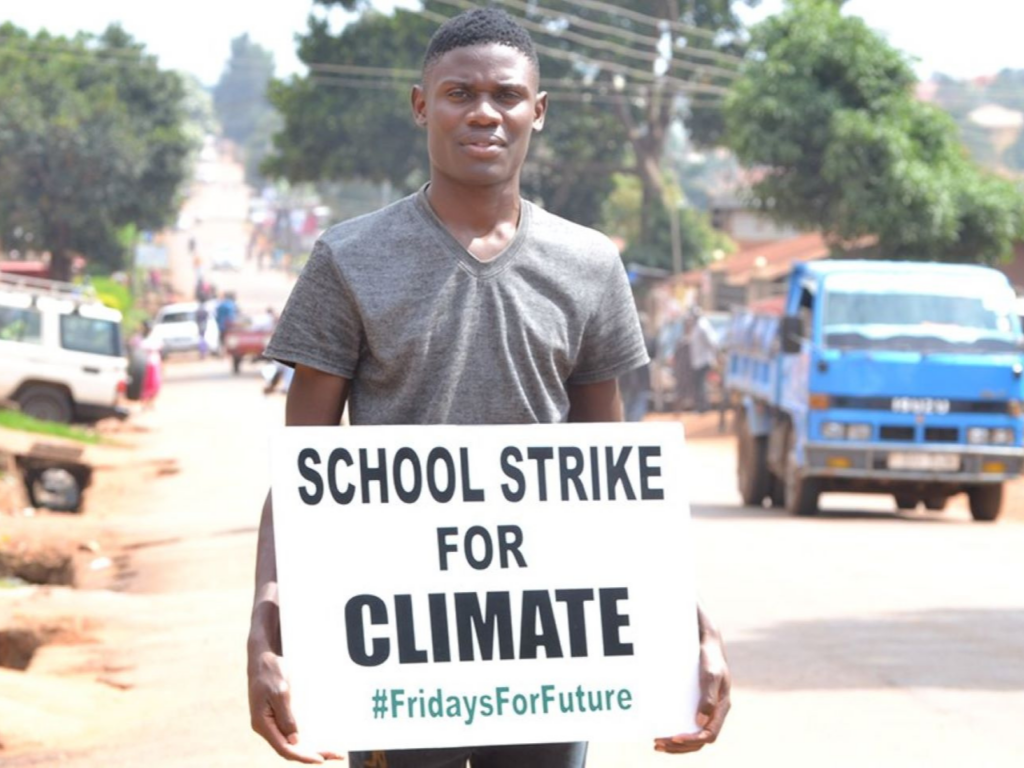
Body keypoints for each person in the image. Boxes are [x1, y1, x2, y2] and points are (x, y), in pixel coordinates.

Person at [247, 9, 730, 767]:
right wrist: (266, 623)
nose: (483, 111)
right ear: (420, 105)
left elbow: (615, 485)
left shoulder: (590, 265)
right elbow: (302, 473)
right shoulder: (348, 258)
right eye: (458, 92)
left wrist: (691, 627)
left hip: (547, 648)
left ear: (537, 110)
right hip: (393, 647)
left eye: (506, 95)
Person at [687, 307, 720, 415]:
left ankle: (703, 407)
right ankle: (701, 406)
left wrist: (715, 356)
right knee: (698, 384)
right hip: (698, 361)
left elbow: (713, 342)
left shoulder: (702, 326)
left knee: (700, 384)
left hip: (704, 360)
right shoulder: (696, 326)